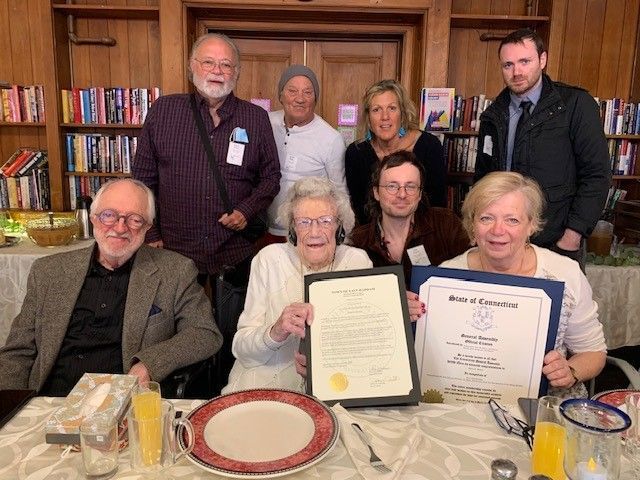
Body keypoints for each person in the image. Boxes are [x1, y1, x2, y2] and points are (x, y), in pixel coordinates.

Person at [0, 179, 222, 396]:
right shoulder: (48, 271)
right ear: (94, 218)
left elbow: (204, 333)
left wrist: (149, 364)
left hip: (125, 403)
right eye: (109, 215)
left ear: (148, 227)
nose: (119, 227)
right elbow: (18, 352)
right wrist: (11, 411)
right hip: (51, 401)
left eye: (135, 219)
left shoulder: (175, 271)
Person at [441, 171, 606, 398]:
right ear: (472, 224)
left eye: (512, 220)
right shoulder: (445, 277)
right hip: (465, 401)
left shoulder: (563, 273)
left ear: (531, 225)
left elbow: (593, 352)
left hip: (543, 409)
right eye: (486, 218)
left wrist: (570, 371)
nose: (498, 230)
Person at [133, 32, 280, 284]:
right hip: (175, 249)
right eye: (208, 62)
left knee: (234, 322)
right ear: (192, 66)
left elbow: (270, 178)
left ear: (236, 72)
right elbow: (143, 180)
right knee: (176, 322)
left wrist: (246, 210)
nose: (217, 70)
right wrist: (150, 233)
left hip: (235, 249)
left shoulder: (256, 118)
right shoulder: (163, 111)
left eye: (226, 64)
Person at [475, 28, 611, 269]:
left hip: (557, 242)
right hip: (502, 241)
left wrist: (572, 236)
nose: (516, 72)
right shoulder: (492, 114)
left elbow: (597, 176)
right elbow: (483, 180)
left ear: (543, 59)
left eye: (524, 61)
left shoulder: (576, 105)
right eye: (508, 65)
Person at [221, 177, 372, 393]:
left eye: (325, 221)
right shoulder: (269, 259)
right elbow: (241, 348)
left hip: (335, 387)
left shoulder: (357, 262)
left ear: (339, 227)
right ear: (292, 230)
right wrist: (275, 332)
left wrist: (326, 366)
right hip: (265, 385)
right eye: (304, 222)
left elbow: (364, 342)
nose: (314, 232)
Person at [350, 150, 469, 290]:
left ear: (419, 194)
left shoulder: (446, 224)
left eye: (410, 186)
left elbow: (472, 273)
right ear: (376, 192)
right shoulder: (358, 242)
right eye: (392, 186)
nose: (402, 194)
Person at [345, 79, 447, 226]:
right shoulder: (356, 153)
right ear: (368, 118)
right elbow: (359, 211)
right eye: (376, 110)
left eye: (392, 108)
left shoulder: (429, 146)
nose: (384, 116)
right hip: (371, 238)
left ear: (403, 113)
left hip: (423, 235)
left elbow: (437, 206)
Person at [267, 64, 347, 242]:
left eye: (308, 92)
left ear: (315, 98)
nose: (299, 99)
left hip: (308, 235)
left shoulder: (331, 139)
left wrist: (341, 239)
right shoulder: (265, 123)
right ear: (281, 95)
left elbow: (339, 194)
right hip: (263, 230)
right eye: (292, 91)